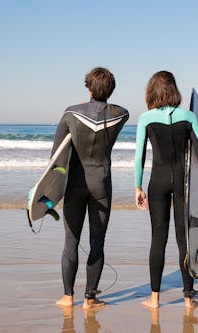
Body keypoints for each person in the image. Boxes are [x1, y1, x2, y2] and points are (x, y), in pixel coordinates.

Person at [134, 71, 198, 309]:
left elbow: (139, 157)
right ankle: (188, 298)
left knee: (158, 240)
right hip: (182, 184)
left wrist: (137, 187)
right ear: (174, 90)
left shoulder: (145, 118)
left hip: (157, 183)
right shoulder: (188, 116)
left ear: (151, 91)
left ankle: (154, 299)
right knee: (185, 240)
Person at [53, 67, 129, 309]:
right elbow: (121, 110)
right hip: (101, 185)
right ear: (111, 90)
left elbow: (56, 157)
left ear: (88, 88)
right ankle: (90, 299)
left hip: (74, 184)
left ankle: (67, 297)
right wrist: (95, 101)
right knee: (97, 241)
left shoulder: (71, 113)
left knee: (71, 242)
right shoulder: (120, 116)